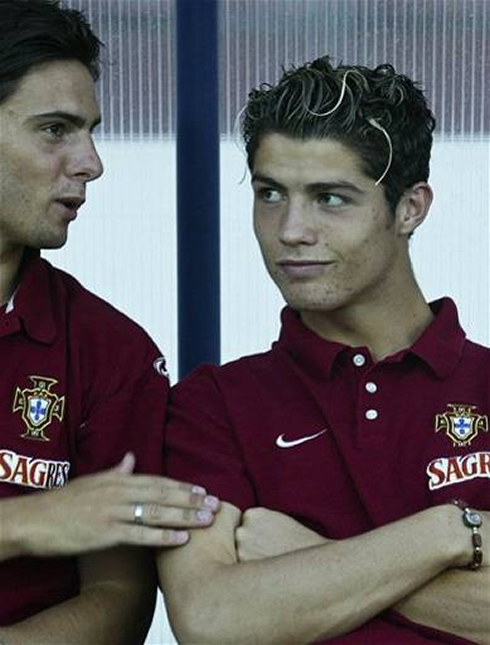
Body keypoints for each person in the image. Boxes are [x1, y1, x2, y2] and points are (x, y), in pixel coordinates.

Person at [158, 56, 490, 644]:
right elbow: (214, 621)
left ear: (410, 207)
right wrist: (449, 536)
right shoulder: (212, 406)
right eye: (270, 193)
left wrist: (313, 558)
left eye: (330, 198)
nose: (290, 229)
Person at [0, 1, 219, 642]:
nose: (91, 162)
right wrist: (28, 525)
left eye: (90, 130)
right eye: (54, 130)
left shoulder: (112, 353)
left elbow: (120, 600)